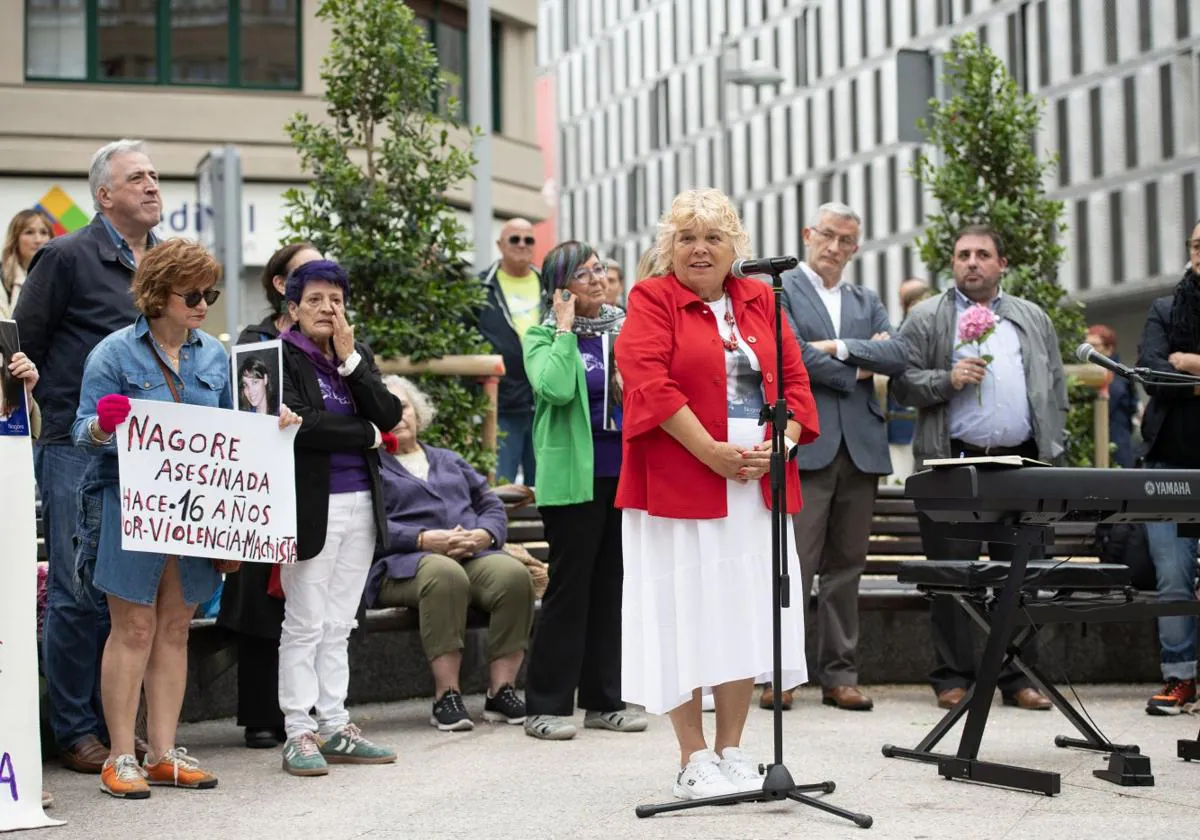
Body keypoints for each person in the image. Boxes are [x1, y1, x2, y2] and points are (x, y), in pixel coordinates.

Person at [72, 239, 300, 799]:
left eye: (210, 293)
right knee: (134, 629)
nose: (204, 304)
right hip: (130, 508)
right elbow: (81, 435)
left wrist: (273, 425)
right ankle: (122, 756)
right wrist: (104, 425)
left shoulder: (213, 357)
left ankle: (164, 752)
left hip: (197, 514)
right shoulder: (112, 355)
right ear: (157, 295)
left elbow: (233, 433)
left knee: (174, 629)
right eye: (192, 294)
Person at [616, 188, 819, 798]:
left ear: (737, 247)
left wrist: (776, 448)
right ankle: (692, 755)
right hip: (680, 479)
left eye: (713, 237)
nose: (700, 249)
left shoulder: (762, 298)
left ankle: (731, 749)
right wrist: (711, 452)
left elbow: (796, 385)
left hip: (755, 483)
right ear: (668, 248)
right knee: (685, 611)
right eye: (687, 237)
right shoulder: (652, 299)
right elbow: (647, 384)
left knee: (742, 611)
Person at [14, 138, 161, 774]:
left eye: (155, 175)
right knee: (77, 588)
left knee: (127, 593)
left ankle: (116, 726)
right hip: (76, 447)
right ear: (104, 195)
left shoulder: (167, 262)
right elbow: (22, 347)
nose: (153, 185)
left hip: (154, 449)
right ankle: (72, 728)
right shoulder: (66, 255)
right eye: (137, 178)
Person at [891, 224, 1062, 712]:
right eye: (963, 254)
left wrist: (1054, 441)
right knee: (952, 576)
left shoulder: (1030, 318)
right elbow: (902, 385)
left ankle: (1019, 676)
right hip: (953, 464)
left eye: (983, 254)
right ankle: (953, 677)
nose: (972, 262)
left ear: (1001, 264)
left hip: (1024, 464)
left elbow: (1054, 387)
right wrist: (947, 380)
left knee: (1023, 573)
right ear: (953, 263)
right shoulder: (927, 317)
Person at [775, 203, 908, 713]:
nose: (834, 248)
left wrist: (833, 347)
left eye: (846, 241)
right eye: (827, 236)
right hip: (806, 441)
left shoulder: (866, 298)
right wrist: (857, 360)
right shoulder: (782, 292)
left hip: (861, 448)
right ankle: (782, 672)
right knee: (797, 563)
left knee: (847, 565)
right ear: (808, 234)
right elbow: (789, 354)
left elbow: (896, 356)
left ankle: (840, 674)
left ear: (856, 247)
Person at [277, 259, 403, 776]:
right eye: (316, 300)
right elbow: (301, 425)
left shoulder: (355, 355)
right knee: (304, 621)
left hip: (360, 505)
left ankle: (334, 723)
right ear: (293, 308)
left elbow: (390, 414)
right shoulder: (279, 358)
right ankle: (297, 730)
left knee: (339, 622)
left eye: (336, 300)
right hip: (311, 504)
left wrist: (352, 363)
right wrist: (367, 434)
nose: (328, 309)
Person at [520, 239, 644, 741]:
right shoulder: (542, 336)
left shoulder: (626, 329)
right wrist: (566, 330)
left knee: (611, 587)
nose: (596, 280)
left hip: (622, 472)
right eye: (582, 275)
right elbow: (554, 388)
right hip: (572, 477)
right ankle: (545, 705)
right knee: (569, 589)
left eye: (599, 271)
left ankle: (603, 700)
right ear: (559, 291)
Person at [365, 376, 534, 732]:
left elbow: (489, 504)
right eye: (388, 409)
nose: (399, 415)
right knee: (445, 574)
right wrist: (424, 539)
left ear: (418, 412)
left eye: (404, 406)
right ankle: (447, 696)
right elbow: (368, 525)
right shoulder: (370, 467)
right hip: (403, 566)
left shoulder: (449, 460)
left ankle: (501, 691)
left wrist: (483, 534)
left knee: (513, 576)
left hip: (470, 554)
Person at [217, 242, 321, 749]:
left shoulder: (333, 342)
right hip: (265, 485)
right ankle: (261, 714)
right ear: (282, 286)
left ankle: (317, 708)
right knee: (262, 600)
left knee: (312, 602)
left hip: (317, 482)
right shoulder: (255, 340)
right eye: (308, 275)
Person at [1136, 224, 1200, 715]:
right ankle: (1180, 677)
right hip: (1169, 466)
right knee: (1174, 575)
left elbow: (1175, 370)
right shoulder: (1163, 310)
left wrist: (1191, 364)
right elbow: (1154, 375)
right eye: (1198, 246)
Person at [477, 218, 542, 485]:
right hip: (501, 404)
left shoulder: (551, 285)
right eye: (515, 239)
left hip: (546, 404)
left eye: (529, 239)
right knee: (500, 488)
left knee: (548, 491)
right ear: (500, 245)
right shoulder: (480, 288)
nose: (522, 244)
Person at [887, 278, 932, 481]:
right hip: (902, 424)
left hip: (933, 425)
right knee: (901, 479)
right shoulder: (897, 337)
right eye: (915, 302)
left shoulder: (941, 333)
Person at [1085, 324, 1138, 469]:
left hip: (1118, 448)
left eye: (1094, 345)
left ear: (1108, 349)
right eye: (1086, 345)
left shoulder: (1121, 376)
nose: (1089, 350)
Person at [1, 209, 54, 319]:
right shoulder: (2, 276)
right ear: (15, 239)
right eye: (29, 232)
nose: (38, 240)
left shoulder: (60, 274)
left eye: (44, 232)